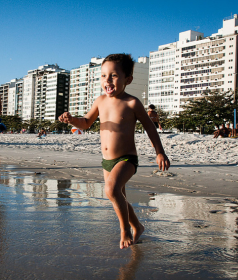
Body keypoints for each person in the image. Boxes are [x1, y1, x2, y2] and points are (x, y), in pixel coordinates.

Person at [59, 54, 170, 249]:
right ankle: (138, 226)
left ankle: (125, 229)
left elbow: (150, 127)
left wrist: (159, 152)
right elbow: (85, 123)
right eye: (103, 76)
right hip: (107, 161)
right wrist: (72, 120)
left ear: (128, 80)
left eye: (113, 76)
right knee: (118, 196)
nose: (107, 81)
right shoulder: (100, 101)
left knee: (111, 190)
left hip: (127, 159)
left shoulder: (132, 103)